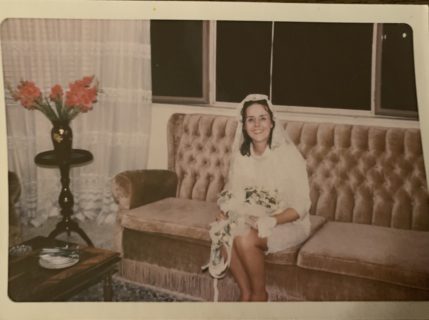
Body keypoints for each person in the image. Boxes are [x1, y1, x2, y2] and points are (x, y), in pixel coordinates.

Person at [202, 93, 312, 302]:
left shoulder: (288, 155)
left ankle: (260, 295)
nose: (257, 124)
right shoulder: (242, 157)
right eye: (250, 119)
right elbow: (234, 193)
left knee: (243, 238)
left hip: (288, 222)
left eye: (262, 118)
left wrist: (271, 219)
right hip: (252, 217)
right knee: (223, 230)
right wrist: (226, 213)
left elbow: (302, 204)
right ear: (244, 125)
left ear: (272, 122)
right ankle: (246, 294)